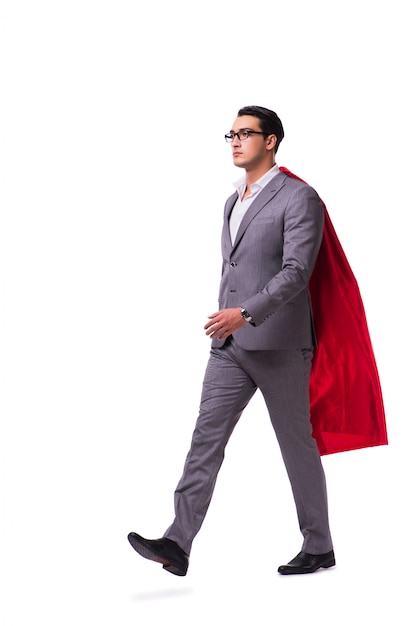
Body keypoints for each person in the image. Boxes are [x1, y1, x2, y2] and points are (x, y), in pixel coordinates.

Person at [128, 105, 335, 576]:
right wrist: (232, 320)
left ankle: (319, 545)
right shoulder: (232, 200)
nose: (236, 140)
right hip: (230, 346)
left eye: (247, 133)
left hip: (279, 344)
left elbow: (297, 273)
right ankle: (177, 543)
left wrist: (245, 313)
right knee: (205, 439)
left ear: (272, 141)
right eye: (232, 134)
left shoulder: (299, 197)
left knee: (295, 445)